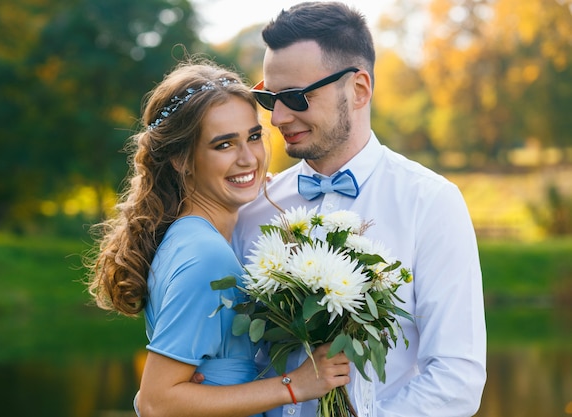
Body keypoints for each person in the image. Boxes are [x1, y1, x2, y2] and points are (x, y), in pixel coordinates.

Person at [231, 2, 487, 417]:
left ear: (359, 89)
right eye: (268, 97)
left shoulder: (430, 202)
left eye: (296, 97)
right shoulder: (254, 208)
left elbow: (457, 378)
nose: (278, 117)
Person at [84, 59, 352, 417]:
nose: (248, 159)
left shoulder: (189, 235)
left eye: (253, 137)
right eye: (224, 145)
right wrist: (295, 386)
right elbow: (156, 402)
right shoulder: (205, 256)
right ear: (181, 159)